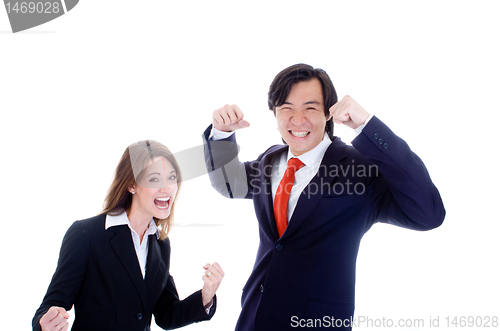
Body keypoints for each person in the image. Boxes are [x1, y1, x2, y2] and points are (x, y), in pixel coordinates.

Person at [202, 63, 445, 331]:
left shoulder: (359, 169)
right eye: (286, 108)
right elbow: (229, 183)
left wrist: (367, 125)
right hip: (255, 318)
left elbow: (429, 213)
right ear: (274, 113)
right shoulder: (269, 161)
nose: (297, 120)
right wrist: (221, 134)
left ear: (329, 113)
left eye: (310, 108)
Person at [33, 140, 224, 331]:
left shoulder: (160, 244)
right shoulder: (87, 235)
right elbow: (51, 305)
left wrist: (205, 297)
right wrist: (45, 324)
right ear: (131, 185)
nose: (167, 189)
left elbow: (166, 314)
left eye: (172, 177)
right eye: (154, 179)